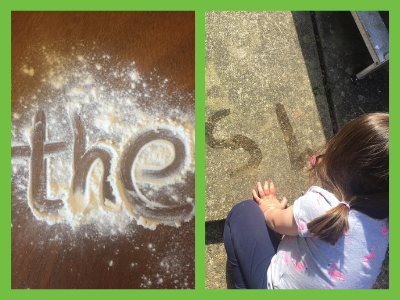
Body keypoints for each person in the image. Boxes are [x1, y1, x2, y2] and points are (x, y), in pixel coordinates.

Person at [223, 113, 389, 289]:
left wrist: (270, 208)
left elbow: (274, 222)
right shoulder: (382, 230)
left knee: (243, 213)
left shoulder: (320, 206)